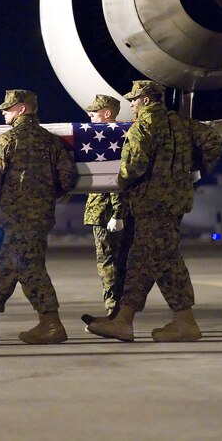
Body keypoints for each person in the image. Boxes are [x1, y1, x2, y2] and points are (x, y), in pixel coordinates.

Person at [87, 80, 222, 342]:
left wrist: (121, 183)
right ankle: (124, 320)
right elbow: (214, 141)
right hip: (176, 201)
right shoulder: (184, 124)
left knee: (166, 259)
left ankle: (185, 321)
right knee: (140, 260)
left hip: (151, 204)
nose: (131, 105)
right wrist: (196, 166)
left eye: (134, 100)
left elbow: (133, 166)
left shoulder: (143, 126)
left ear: (146, 101)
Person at [0, 89, 77, 344]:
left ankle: (52, 324)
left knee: (29, 269)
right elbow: (68, 178)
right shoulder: (52, 142)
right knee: (6, 269)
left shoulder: (7, 141)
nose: (3, 112)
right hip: (41, 217)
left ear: (22, 109)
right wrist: (47, 196)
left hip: (14, 217)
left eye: (8, 108)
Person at [81, 94, 133, 325]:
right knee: (113, 264)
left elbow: (116, 179)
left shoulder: (112, 138)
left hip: (106, 215)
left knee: (109, 265)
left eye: (94, 112)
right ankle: (116, 313)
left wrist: (117, 214)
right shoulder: (101, 139)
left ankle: (114, 314)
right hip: (103, 213)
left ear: (107, 113)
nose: (90, 115)